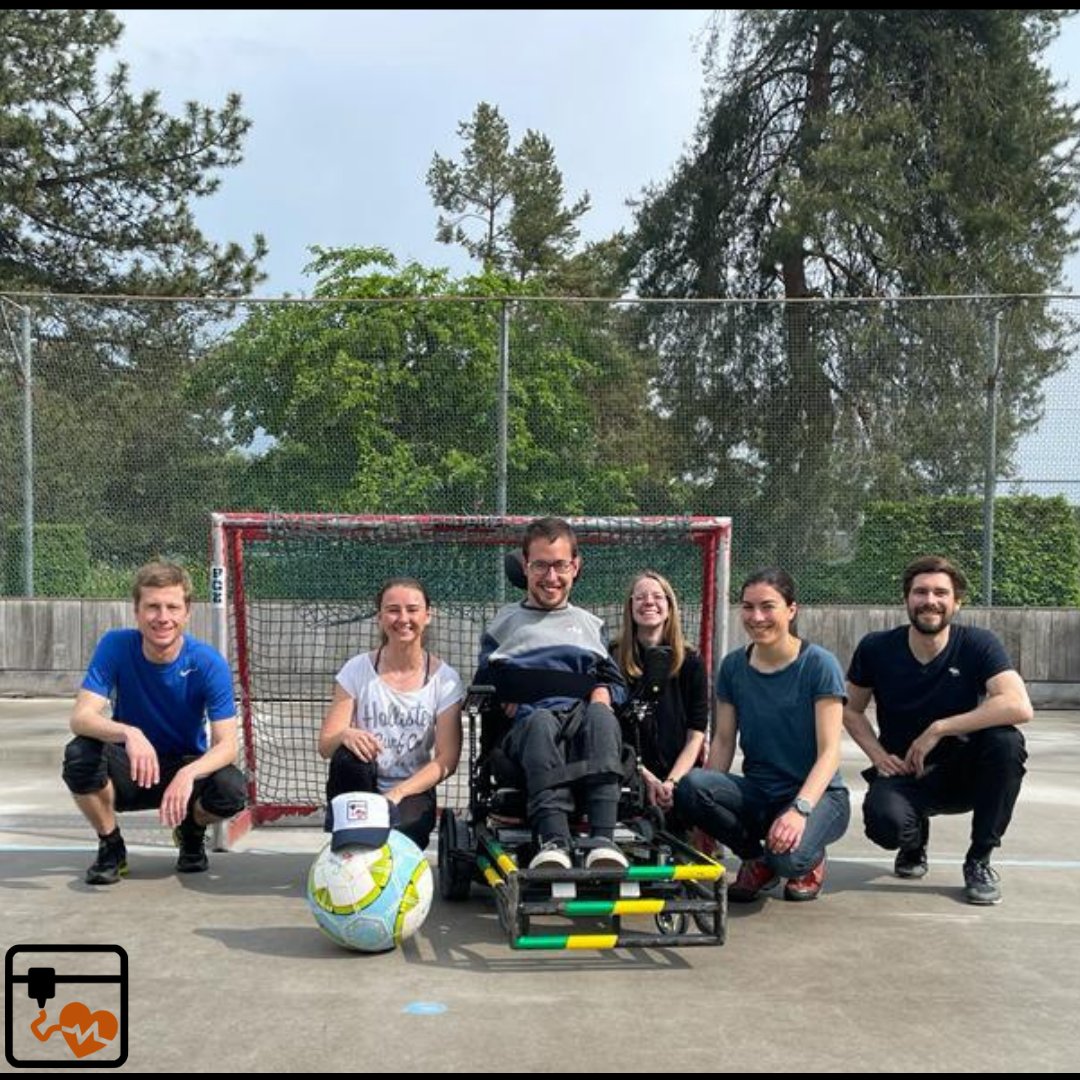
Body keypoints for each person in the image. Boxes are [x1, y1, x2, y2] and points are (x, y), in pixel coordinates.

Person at [844, 555, 1032, 905]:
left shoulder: (978, 643)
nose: (930, 600)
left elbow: (1018, 705)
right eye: (920, 592)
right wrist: (879, 756)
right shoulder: (876, 648)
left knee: (1006, 742)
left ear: (956, 602)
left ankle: (979, 860)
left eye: (941, 593)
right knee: (886, 826)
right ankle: (913, 841)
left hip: (966, 773)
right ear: (906, 599)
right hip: (906, 771)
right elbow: (850, 710)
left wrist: (939, 729)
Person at [63, 561, 246, 885]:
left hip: (183, 766)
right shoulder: (116, 646)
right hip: (133, 768)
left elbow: (227, 745)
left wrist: (189, 774)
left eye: (172, 607)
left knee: (231, 790)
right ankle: (111, 845)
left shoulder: (208, 662)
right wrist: (128, 733)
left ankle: (191, 832)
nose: (163, 617)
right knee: (80, 755)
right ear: (136, 611)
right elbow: (81, 717)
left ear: (187, 612)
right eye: (152, 607)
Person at [675, 568, 850, 902]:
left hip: (818, 797)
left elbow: (830, 752)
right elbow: (723, 740)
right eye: (748, 607)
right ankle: (756, 860)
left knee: (789, 860)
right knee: (692, 786)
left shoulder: (819, 665)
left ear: (791, 610)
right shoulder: (732, 667)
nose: (757, 617)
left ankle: (809, 857)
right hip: (761, 793)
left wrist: (799, 811)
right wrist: (703, 815)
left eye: (768, 606)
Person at [475, 516, 627, 871]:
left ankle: (603, 841)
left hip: (581, 729)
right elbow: (484, 685)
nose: (551, 576)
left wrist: (603, 694)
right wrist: (505, 697)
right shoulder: (503, 625)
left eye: (560, 565)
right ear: (525, 567)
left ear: (575, 567)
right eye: (540, 565)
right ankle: (553, 840)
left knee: (602, 716)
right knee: (541, 720)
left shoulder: (591, 626)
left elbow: (617, 686)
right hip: (527, 731)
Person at [318, 577, 464, 851]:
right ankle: (349, 837)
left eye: (412, 609)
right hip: (363, 782)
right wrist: (345, 734)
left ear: (427, 615)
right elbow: (326, 746)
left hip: (410, 790)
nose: (403, 618)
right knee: (347, 756)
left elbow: (448, 759)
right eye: (393, 610)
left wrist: (397, 794)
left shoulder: (445, 679)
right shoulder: (356, 669)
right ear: (380, 617)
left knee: (396, 843)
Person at [614, 570, 708, 831]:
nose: (649, 602)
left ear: (669, 606)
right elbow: (610, 732)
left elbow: (696, 734)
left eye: (657, 596)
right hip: (629, 774)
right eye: (640, 597)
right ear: (630, 606)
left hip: (677, 776)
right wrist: (645, 777)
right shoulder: (612, 659)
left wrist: (671, 783)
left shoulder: (691, 662)